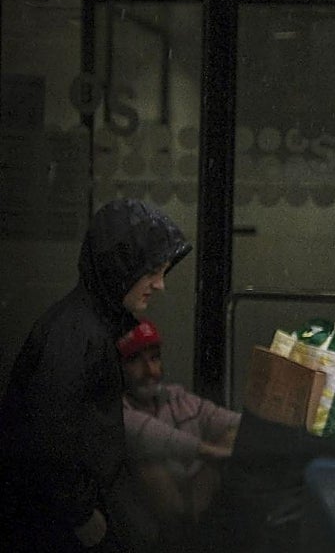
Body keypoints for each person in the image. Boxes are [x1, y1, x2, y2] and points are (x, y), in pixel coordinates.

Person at [0, 199, 191, 552]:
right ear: (120, 267)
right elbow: (48, 436)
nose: (160, 285)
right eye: (152, 271)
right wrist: (80, 513)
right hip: (54, 518)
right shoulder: (78, 335)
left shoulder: (89, 325)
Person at [117, 319, 240, 550]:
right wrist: (211, 453)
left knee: (233, 435)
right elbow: (149, 434)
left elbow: (225, 419)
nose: (150, 371)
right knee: (149, 465)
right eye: (135, 361)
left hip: (195, 506)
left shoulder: (175, 398)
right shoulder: (112, 410)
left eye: (154, 358)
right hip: (148, 532)